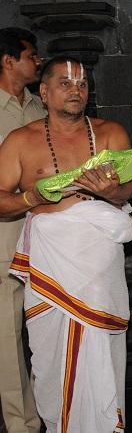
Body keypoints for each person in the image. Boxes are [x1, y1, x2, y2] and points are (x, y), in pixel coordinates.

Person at [0, 56, 132, 432]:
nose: (76, 90)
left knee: (100, 355)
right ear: (43, 92)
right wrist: (31, 198)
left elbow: (129, 189)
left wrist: (112, 190)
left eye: (82, 84)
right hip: (50, 264)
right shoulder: (21, 140)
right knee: (51, 361)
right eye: (65, 83)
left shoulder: (110, 134)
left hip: (97, 267)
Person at [0, 27, 44, 433]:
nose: (38, 61)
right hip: (4, 232)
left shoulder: (38, 106)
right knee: (8, 337)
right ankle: (21, 424)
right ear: (8, 60)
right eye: (32, 55)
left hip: (44, 231)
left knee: (45, 327)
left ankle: (51, 410)